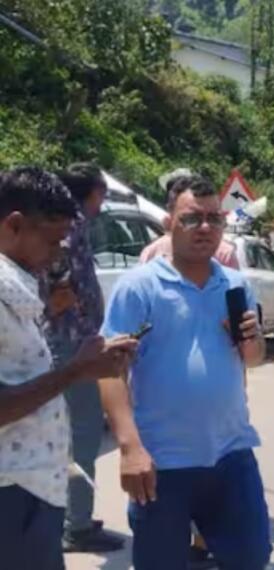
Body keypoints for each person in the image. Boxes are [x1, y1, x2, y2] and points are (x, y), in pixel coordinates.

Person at [99, 174, 272, 569]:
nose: (206, 228)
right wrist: (129, 447)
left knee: (251, 557)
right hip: (163, 461)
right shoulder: (139, 287)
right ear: (168, 223)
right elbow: (110, 371)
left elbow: (253, 357)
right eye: (193, 218)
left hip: (231, 453)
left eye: (215, 218)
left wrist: (251, 342)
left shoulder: (236, 284)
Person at [0, 167, 136, 569]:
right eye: (53, 241)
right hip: (12, 495)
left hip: (33, 490)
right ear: (15, 225)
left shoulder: (17, 289)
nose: (60, 255)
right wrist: (75, 371)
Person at [32, 164, 127, 553]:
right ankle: (77, 526)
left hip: (72, 342)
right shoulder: (68, 230)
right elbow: (57, 276)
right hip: (71, 344)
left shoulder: (67, 224)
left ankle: (73, 515)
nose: (102, 204)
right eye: (101, 196)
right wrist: (59, 296)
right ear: (87, 194)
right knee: (83, 434)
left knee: (72, 434)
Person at [139, 172, 239, 270]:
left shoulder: (224, 253)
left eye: (214, 219)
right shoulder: (152, 253)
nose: (204, 227)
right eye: (192, 219)